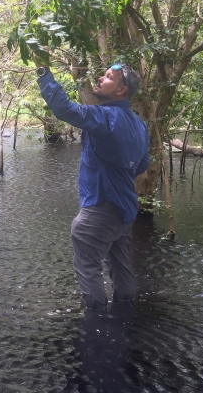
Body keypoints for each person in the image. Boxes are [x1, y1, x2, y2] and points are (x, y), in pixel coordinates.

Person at [34, 56, 150, 310]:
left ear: (121, 91)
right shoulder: (140, 125)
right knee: (121, 267)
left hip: (99, 209)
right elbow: (142, 164)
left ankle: (97, 328)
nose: (100, 78)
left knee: (88, 268)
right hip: (126, 209)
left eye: (108, 77)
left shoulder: (104, 118)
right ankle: (124, 319)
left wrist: (43, 71)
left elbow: (64, 108)